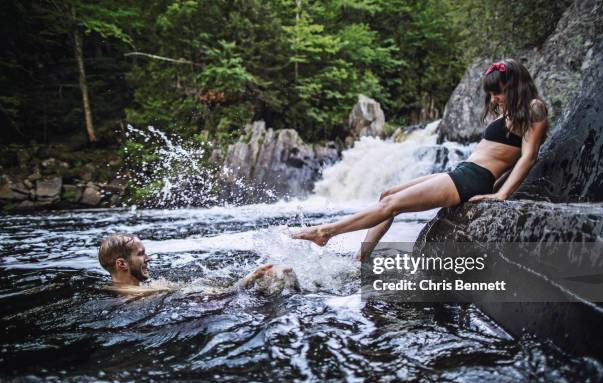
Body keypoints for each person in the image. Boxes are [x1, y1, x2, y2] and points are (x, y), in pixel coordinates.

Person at [292, 58, 548, 255]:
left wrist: (500, 195)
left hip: (472, 178)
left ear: (515, 86)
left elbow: (528, 156)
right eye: (491, 94)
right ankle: (361, 258)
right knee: (387, 195)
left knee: (391, 205)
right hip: (463, 172)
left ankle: (326, 231)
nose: (494, 99)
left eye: (499, 92)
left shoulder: (534, 107)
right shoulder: (512, 114)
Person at [98, 233, 299, 296]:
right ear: (122, 264)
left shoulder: (132, 289)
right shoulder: (138, 295)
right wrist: (251, 278)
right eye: (141, 254)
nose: (148, 258)